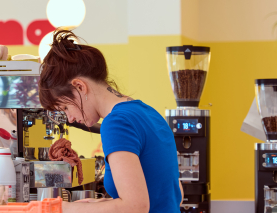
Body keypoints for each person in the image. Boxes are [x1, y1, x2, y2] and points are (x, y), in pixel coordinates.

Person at [38, 29, 183, 213]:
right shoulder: (148, 113)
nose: (70, 118)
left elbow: (136, 206)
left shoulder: (116, 123)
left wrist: (63, 209)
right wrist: (99, 204)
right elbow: (173, 194)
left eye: (66, 108)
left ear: (80, 86)